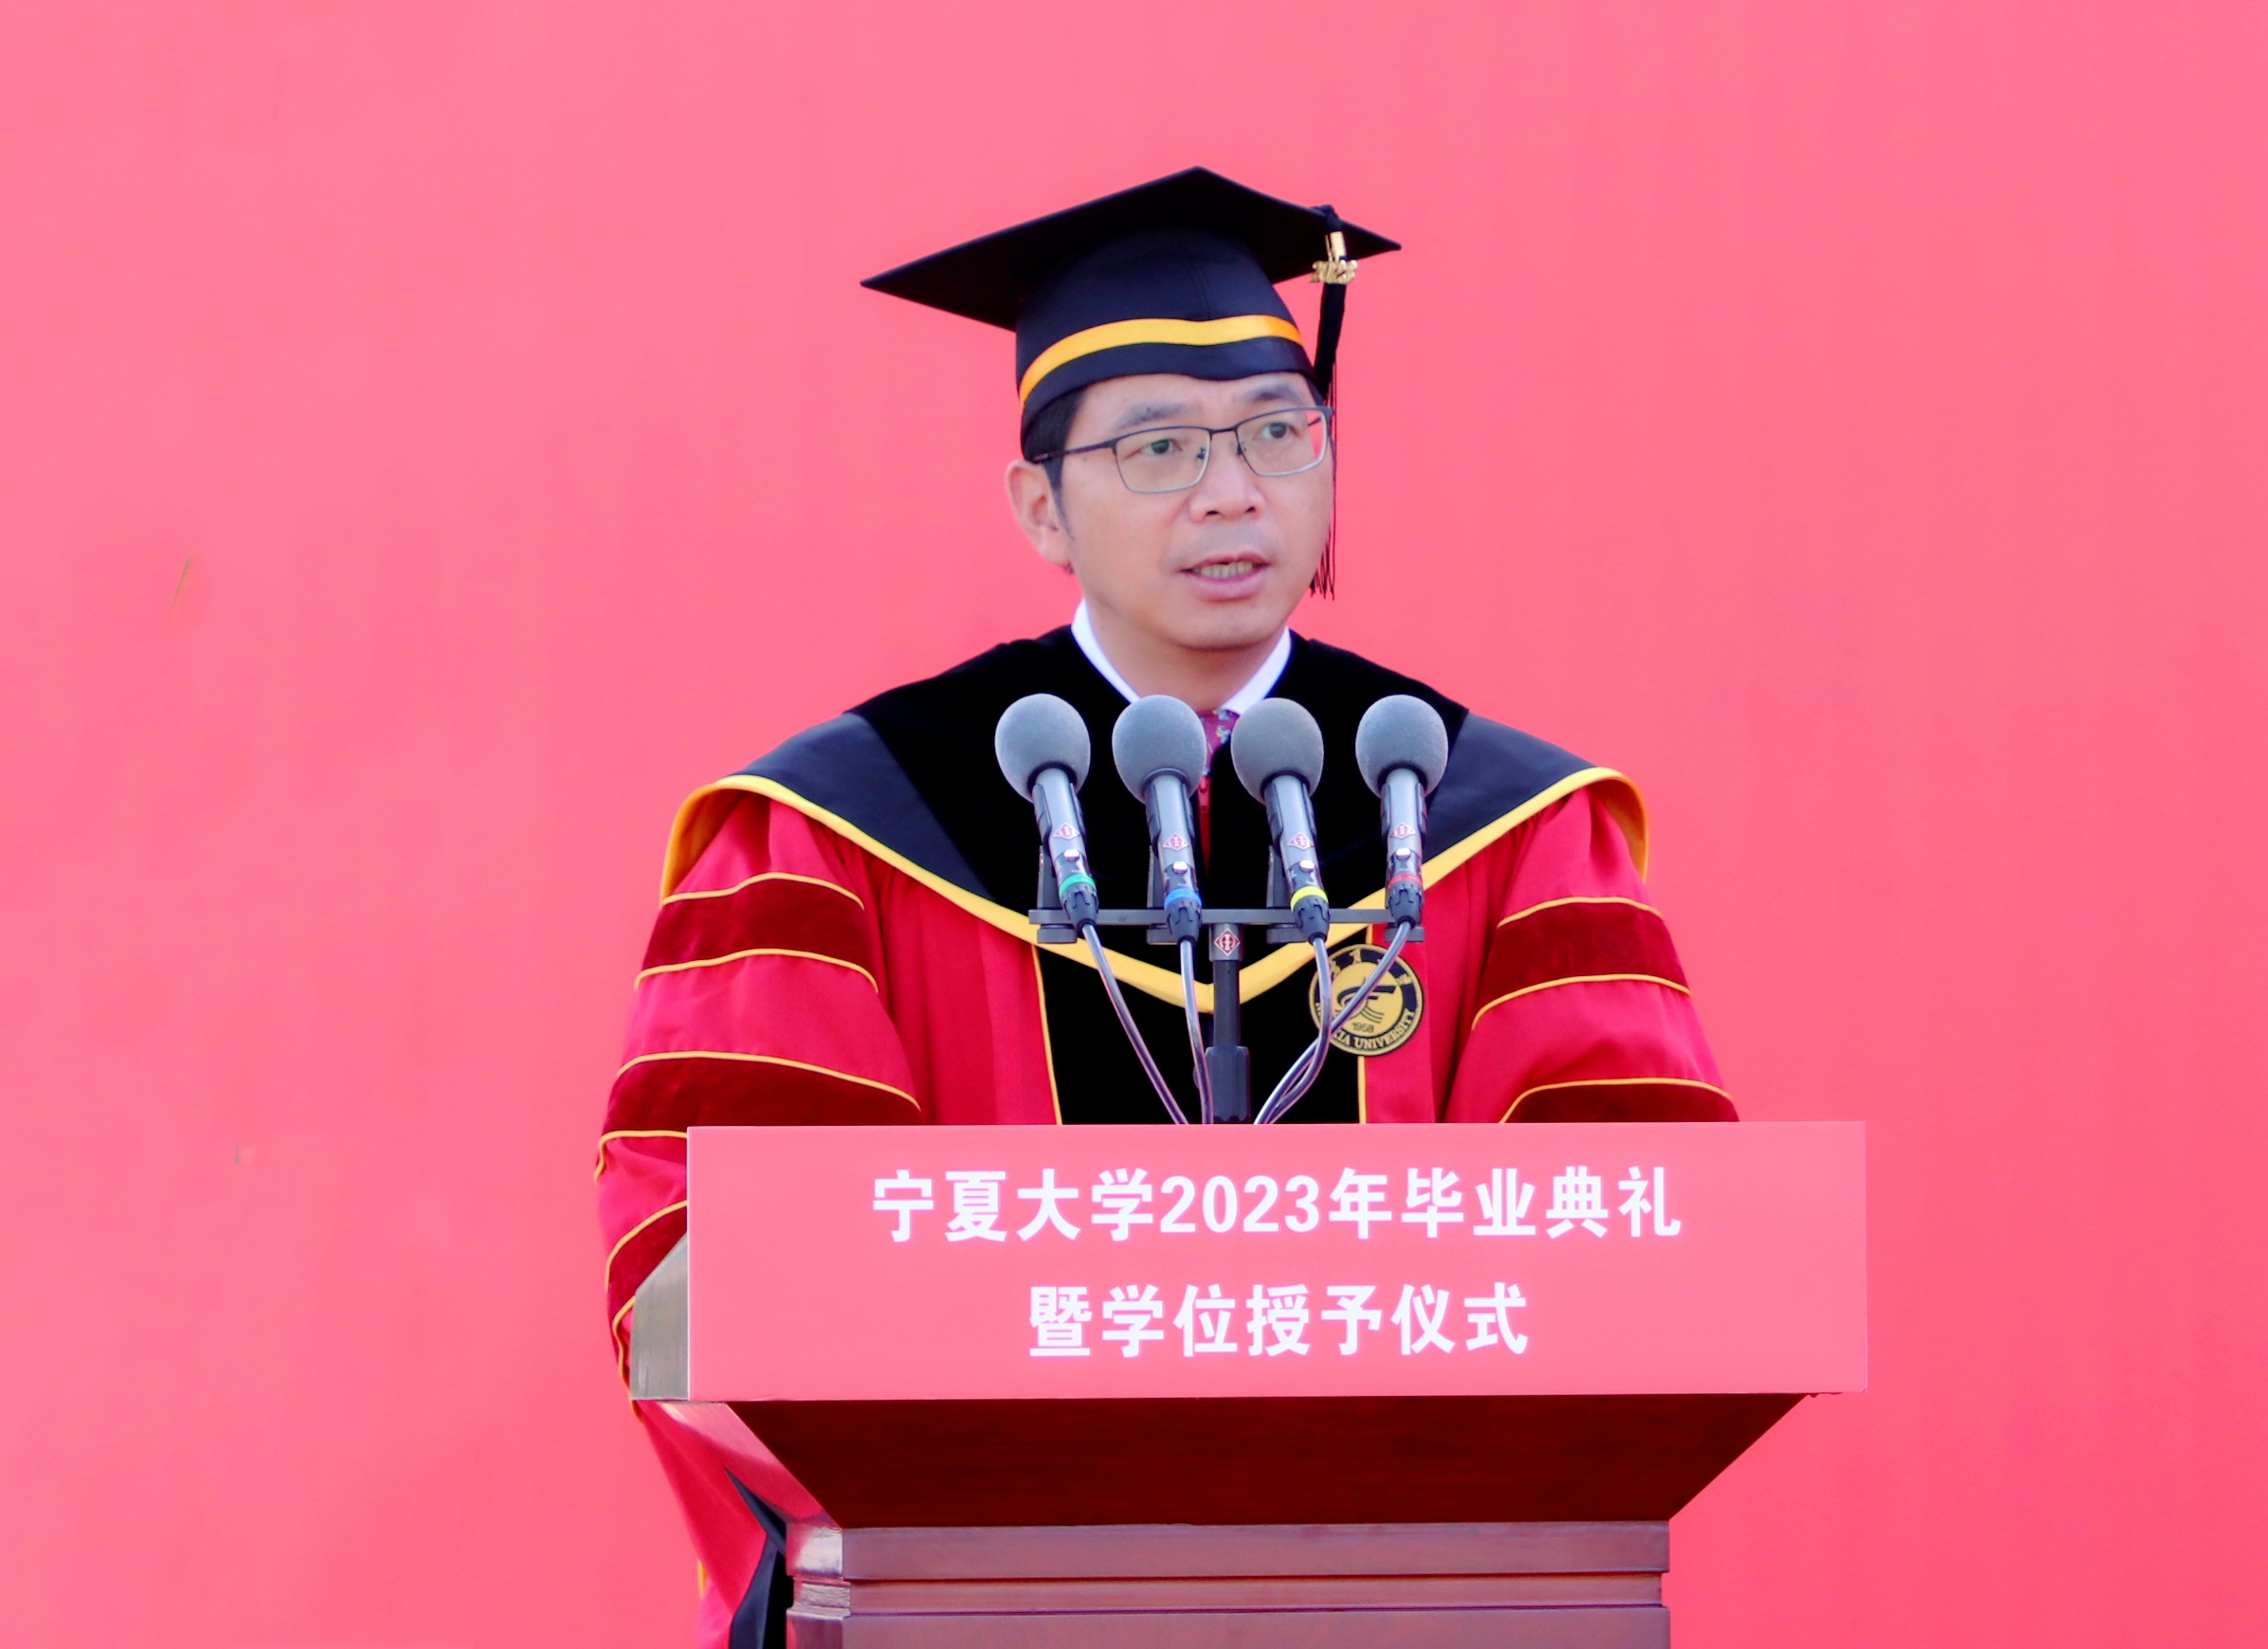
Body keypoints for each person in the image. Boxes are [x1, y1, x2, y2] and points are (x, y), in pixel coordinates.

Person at [594, 168, 1735, 1648]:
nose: (1231, 491)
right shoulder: (845, 827)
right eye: (1157, 448)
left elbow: (1634, 1236)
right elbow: (718, 1263)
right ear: (1039, 506)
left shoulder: (1495, 819)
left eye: (1277, 432)